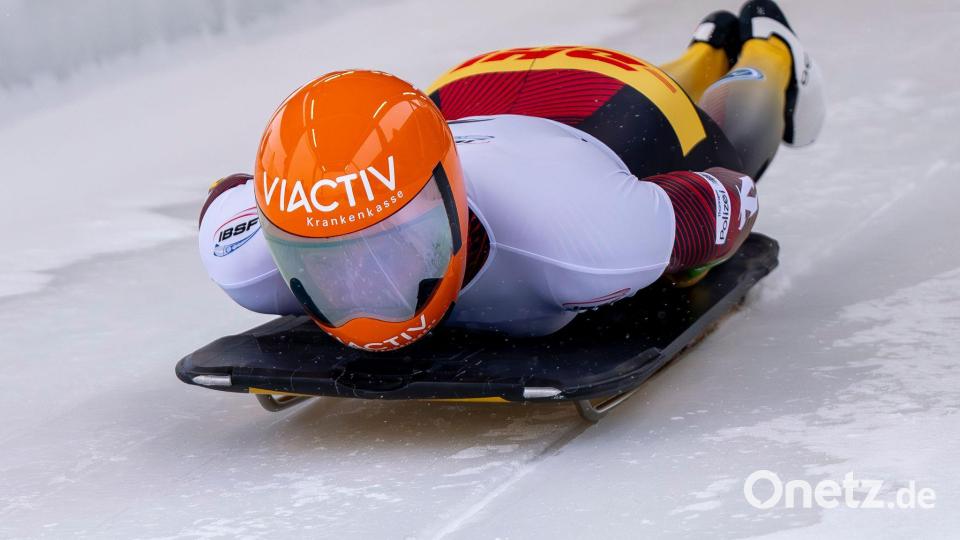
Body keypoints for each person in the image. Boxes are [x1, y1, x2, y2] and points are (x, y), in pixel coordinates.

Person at [198, 0, 824, 351]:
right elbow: (233, 198)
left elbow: (729, 197)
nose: (361, 286)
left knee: (727, 147)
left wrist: (682, 263)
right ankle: (706, 46)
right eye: (318, 258)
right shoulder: (248, 253)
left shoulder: (593, 239)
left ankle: (769, 46)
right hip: (468, 95)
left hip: (611, 116)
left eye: (390, 243)